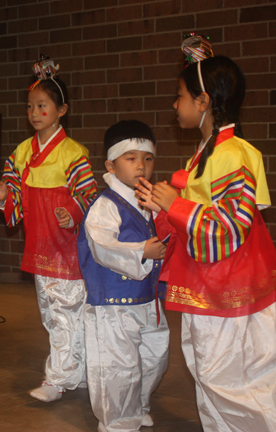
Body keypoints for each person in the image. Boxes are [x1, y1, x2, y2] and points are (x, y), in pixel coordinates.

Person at [136, 34, 276, 432]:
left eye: (180, 96)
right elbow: (196, 219)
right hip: (209, 281)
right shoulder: (205, 153)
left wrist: (173, 204)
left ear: (203, 102)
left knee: (226, 376)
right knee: (207, 371)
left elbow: (230, 226)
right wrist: (162, 206)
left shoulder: (232, 154)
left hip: (227, 284)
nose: (174, 105)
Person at [0, 55, 98, 402]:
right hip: (39, 244)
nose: (35, 113)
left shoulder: (73, 152)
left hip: (65, 245)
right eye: (30, 106)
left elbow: (89, 194)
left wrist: (74, 212)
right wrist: (4, 196)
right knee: (53, 313)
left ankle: (59, 377)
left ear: (62, 110)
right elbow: (15, 194)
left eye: (42, 105)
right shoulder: (21, 152)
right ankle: (75, 371)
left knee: (66, 312)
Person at [78, 120, 169, 431]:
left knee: (155, 356)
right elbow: (103, 246)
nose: (141, 166)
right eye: (131, 158)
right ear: (111, 165)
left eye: (148, 158)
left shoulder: (152, 203)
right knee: (119, 365)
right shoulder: (105, 205)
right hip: (113, 302)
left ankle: (137, 404)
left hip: (147, 299)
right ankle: (117, 421)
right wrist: (143, 250)